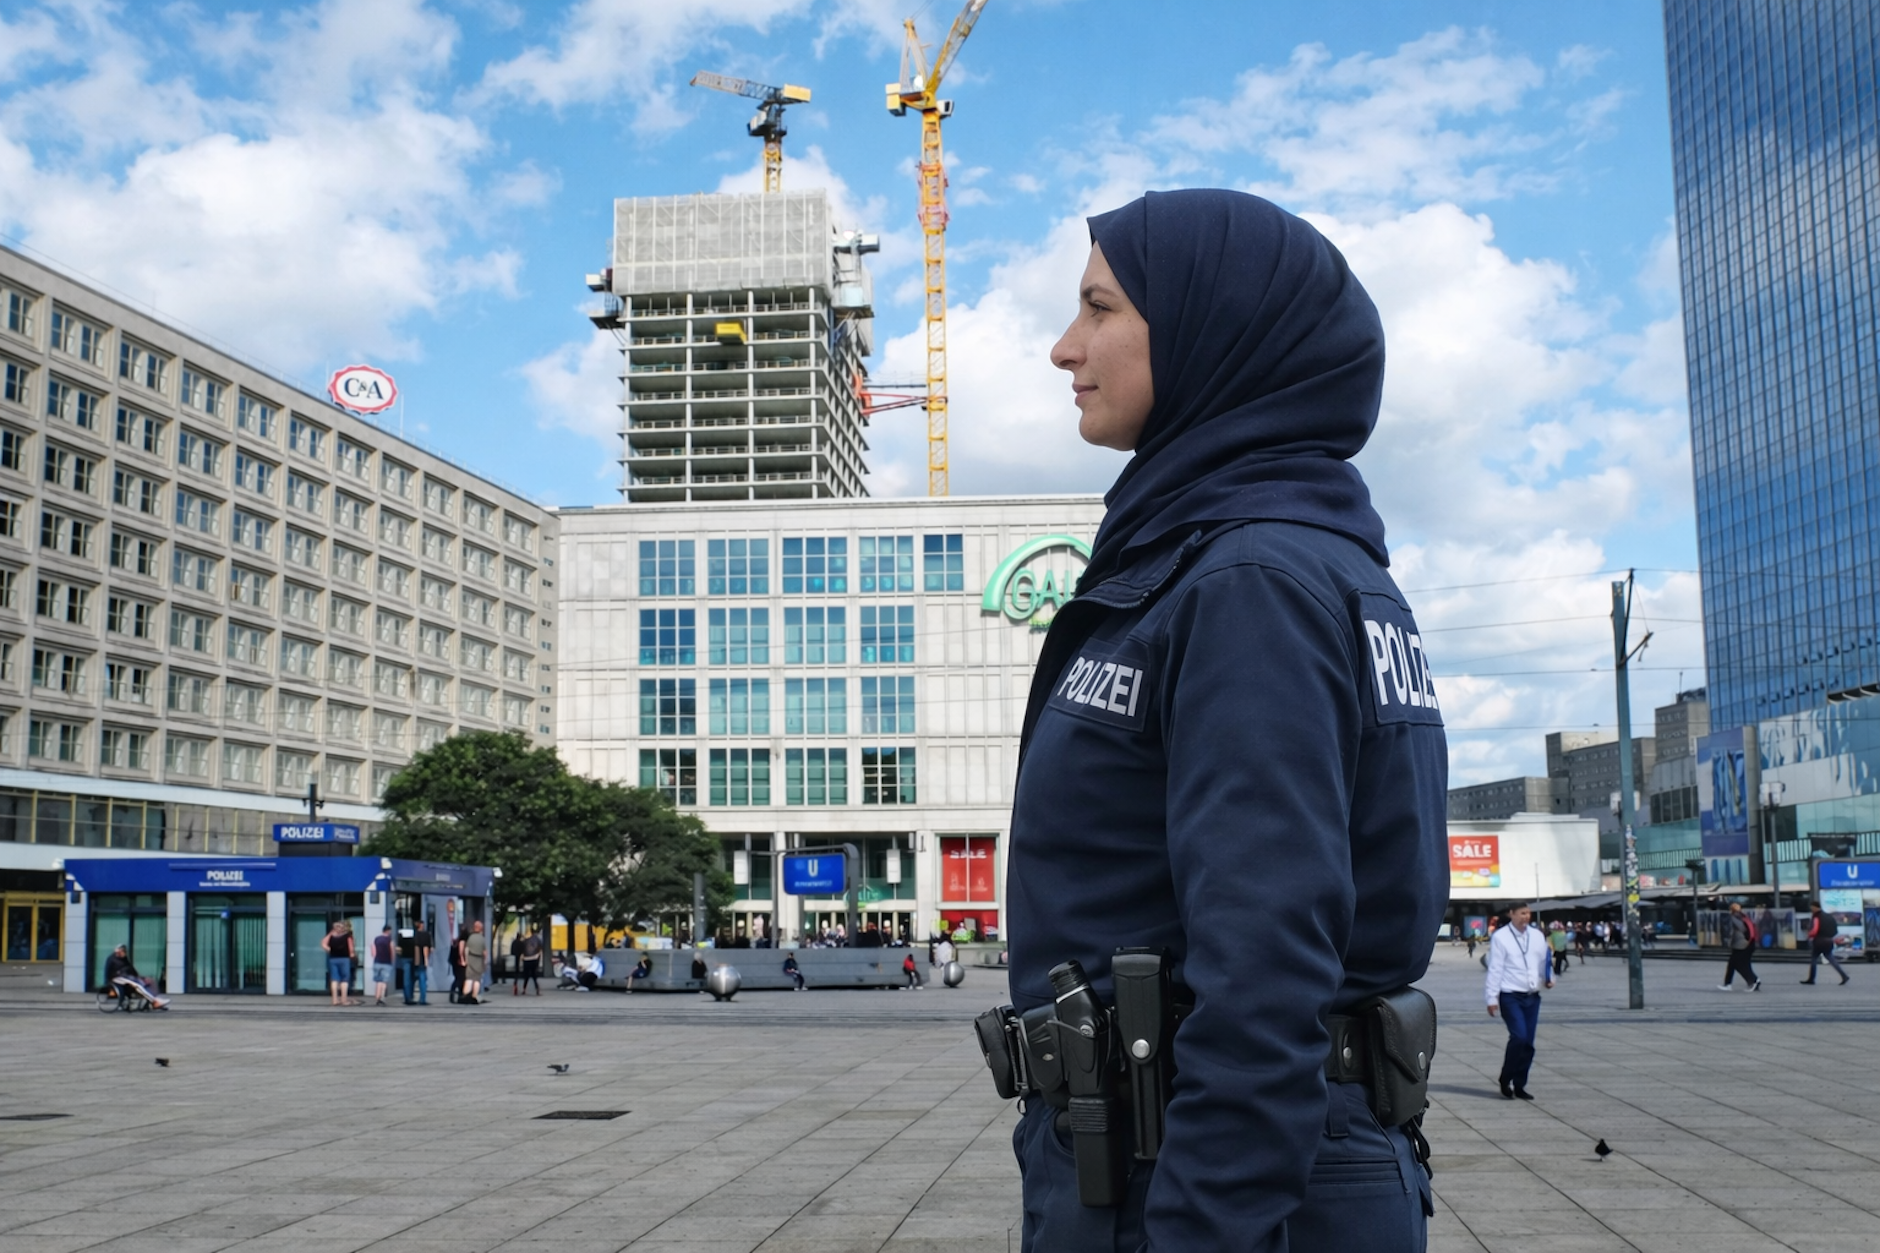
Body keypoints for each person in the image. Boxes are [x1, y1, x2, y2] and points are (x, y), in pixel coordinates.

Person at [1006, 190, 1445, 1252]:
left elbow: (1263, 970)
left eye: (1099, 307)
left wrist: (1203, 1225)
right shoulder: (1292, 557)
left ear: (1213, 330)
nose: (1065, 347)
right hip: (1210, 1154)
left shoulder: (1248, 576)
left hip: (1202, 1175)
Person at [1485, 903, 1553, 1101]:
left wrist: (1549, 979)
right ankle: (1506, 1078)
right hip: (1510, 995)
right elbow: (1495, 968)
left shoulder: (1537, 936)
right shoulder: (1501, 937)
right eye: (1522, 913)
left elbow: (1543, 962)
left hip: (1532, 995)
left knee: (1529, 1044)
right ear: (1511, 914)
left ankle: (1520, 1084)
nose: (1526, 917)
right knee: (1519, 1037)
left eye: (1528, 913)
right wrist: (1491, 997)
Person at [102, 943, 169, 1009]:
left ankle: (154, 999)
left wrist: (139, 977)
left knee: (147, 982)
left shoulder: (124, 959)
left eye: (125, 951)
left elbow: (131, 968)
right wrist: (108, 984)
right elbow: (107, 971)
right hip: (117, 978)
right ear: (118, 951)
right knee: (137, 985)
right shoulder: (111, 959)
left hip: (127, 977)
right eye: (123, 951)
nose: (124, 953)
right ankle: (154, 1001)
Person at [1802, 901, 1850, 985]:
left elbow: (1815, 930)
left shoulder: (1817, 917)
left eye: (1811, 907)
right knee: (1830, 958)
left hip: (1819, 941)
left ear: (1814, 907)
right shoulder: (1828, 916)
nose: (1811, 909)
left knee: (1814, 959)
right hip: (1829, 941)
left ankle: (1811, 979)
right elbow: (1835, 929)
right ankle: (1844, 975)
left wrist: (1809, 935)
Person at [1718, 901, 1762, 991]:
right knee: (1733, 964)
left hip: (1742, 945)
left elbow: (1741, 928)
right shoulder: (1744, 917)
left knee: (1739, 965)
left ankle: (1753, 980)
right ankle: (1728, 984)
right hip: (1745, 944)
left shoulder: (1735, 917)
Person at [320, 921, 357, 1007]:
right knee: (344, 979)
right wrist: (352, 955)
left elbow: (323, 943)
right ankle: (344, 1000)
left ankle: (335, 1000)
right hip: (344, 959)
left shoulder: (331, 936)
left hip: (333, 959)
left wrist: (330, 949)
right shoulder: (347, 936)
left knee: (334, 979)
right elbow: (351, 949)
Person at [462, 920, 488, 1004]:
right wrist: (485, 962)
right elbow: (485, 953)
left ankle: (465, 996)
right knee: (477, 980)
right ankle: (474, 996)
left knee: (469, 979)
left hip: (470, 959)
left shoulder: (470, 938)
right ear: (481, 929)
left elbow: (466, 949)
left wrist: (466, 960)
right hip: (479, 961)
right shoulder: (482, 939)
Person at [370, 925, 396, 1006]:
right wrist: (392, 961)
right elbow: (392, 951)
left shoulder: (376, 939)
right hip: (386, 962)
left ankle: (377, 996)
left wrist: (375, 957)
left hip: (377, 962)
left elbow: (373, 951)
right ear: (388, 931)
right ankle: (382, 997)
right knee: (384, 981)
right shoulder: (390, 940)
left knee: (378, 981)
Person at [410, 919, 433, 1005]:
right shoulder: (426, 935)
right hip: (423, 961)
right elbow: (429, 948)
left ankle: (410, 997)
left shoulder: (414, 935)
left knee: (412, 980)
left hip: (415, 960)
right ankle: (422, 999)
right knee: (423, 980)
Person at [517, 927, 545, 996]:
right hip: (534, 959)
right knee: (534, 975)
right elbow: (540, 949)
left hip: (526, 959)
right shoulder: (538, 939)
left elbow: (522, 949)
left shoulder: (525, 940)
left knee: (526, 975)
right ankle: (537, 990)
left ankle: (524, 989)